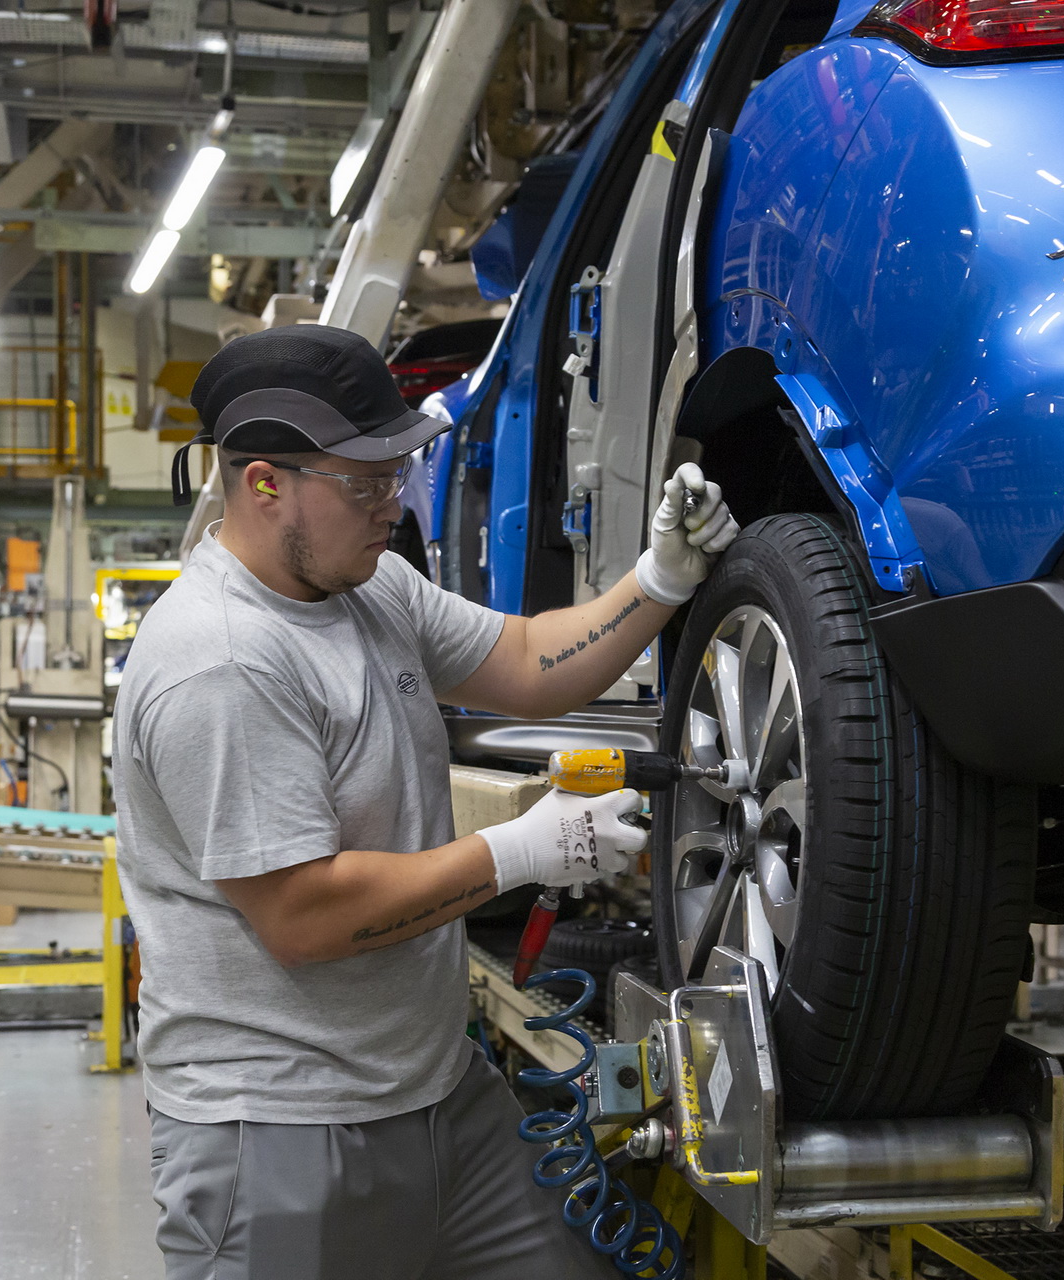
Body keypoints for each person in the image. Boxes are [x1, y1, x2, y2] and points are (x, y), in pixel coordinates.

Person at [112, 323, 739, 1280]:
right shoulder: (221, 661)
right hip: (278, 1132)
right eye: (364, 482)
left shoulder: (375, 588)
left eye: (399, 472)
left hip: (443, 1100)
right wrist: (524, 854)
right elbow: (305, 915)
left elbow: (529, 663)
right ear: (263, 483)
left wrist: (657, 582)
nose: (392, 503)